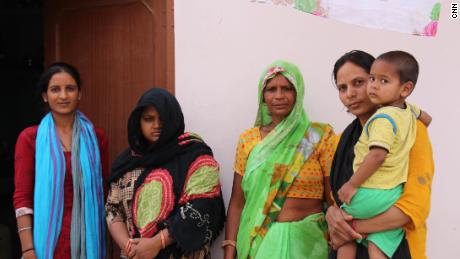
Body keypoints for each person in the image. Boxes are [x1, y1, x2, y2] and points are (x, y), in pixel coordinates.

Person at [328, 50, 435, 259]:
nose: (350, 93)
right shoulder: (340, 141)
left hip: (398, 249)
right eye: (342, 88)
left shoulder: (412, 131)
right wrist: (332, 215)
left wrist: (351, 229)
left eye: (359, 82)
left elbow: (414, 207)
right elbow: (336, 199)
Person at [224, 60, 335, 259]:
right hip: (259, 243)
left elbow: (332, 197)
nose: (279, 96)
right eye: (271, 89)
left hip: (308, 244)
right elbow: (237, 203)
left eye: (287, 89)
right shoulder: (249, 140)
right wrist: (230, 250)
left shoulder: (318, 136)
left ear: (298, 93)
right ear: (262, 96)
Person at [105, 87, 225, 259]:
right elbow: (112, 209)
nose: (157, 125)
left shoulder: (195, 156)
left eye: (163, 119)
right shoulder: (127, 162)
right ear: (138, 122)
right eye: (149, 119)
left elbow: (201, 208)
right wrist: (129, 247)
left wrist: (157, 243)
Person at [13, 62, 109, 259]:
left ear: (79, 93)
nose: (64, 96)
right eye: (55, 89)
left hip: (88, 241)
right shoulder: (30, 139)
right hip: (46, 245)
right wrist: (28, 249)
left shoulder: (96, 138)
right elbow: (22, 198)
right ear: (45, 96)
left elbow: (106, 192)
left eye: (70, 89)